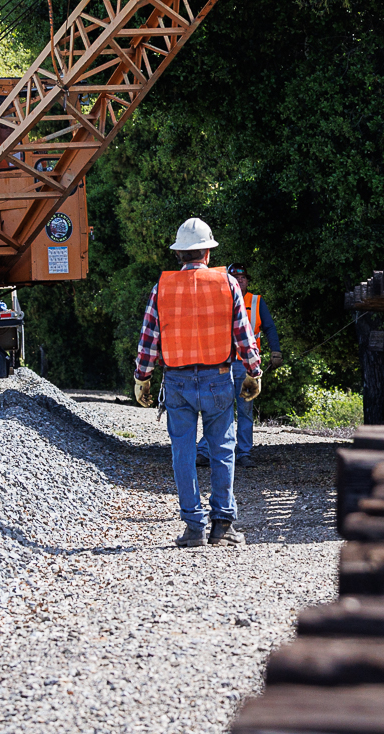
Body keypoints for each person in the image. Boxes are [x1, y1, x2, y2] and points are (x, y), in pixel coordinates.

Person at [132, 217, 262, 548]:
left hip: (177, 381)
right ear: (207, 252)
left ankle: (194, 527)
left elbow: (149, 338)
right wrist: (253, 371)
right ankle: (222, 525)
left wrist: (142, 377)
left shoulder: (162, 288)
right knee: (222, 450)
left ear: (179, 254)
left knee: (183, 452)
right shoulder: (227, 284)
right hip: (218, 378)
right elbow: (243, 334)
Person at [197, 264, 280, 468]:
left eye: (242, 277)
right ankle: (205, 451)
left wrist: (276, 351)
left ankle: (244, 453)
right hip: (221, 363)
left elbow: (269, 327)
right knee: (217, 408)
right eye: (235, 277)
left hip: (245, 364)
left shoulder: (257, 301)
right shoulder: (217, 299)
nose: (239, 280)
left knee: (245, 410)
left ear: (247, 280)